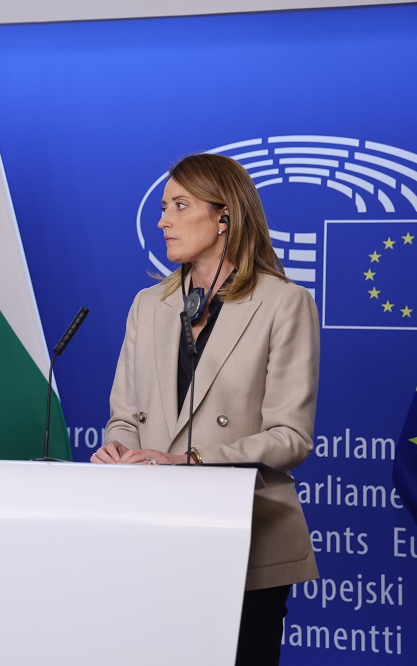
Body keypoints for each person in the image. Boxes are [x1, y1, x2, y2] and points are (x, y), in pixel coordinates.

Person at [91, 153, 318, 665]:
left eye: (179, 205)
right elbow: (124, 416)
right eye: (163, 207)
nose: (162, 221)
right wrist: (117, 451)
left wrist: (190, 462)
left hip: (245, 538)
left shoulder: (285, 304)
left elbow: (290, 437)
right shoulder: (148, 305)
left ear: (224, 218)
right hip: (153, 532)